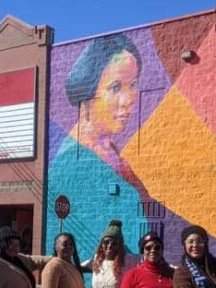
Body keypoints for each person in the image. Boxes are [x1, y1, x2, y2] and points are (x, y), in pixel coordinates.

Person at [47, 34, 149, 250]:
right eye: (115, 88)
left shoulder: (112, 153)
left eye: (133, 85)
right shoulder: (70, 163)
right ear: (87, 94)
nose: (128, 100)